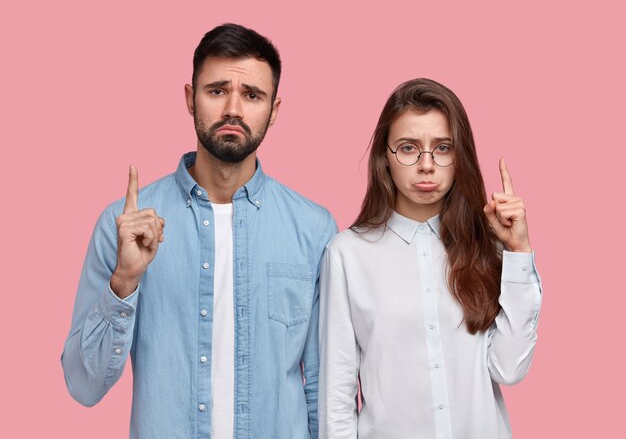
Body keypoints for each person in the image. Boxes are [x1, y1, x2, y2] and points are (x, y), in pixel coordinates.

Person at [62, 23, 337, 439]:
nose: (233, 109)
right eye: (216, 90)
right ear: (190, 99)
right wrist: (124, 282)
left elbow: (323, 387)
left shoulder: (314, 230)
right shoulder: (124, 227)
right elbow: (83, 386)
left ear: (274, 110)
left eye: (252, 95)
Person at [319, 78, 542, 439]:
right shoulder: (347, 255)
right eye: (408, 148)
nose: (426, 165)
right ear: (384, 158)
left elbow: (510, 369)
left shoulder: (487, 247)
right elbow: (337, 395)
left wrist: (519, 252)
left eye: (442, 148)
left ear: (460, 157)